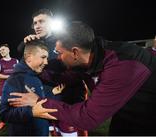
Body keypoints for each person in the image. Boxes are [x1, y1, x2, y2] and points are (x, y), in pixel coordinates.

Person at [9, 21, 156, 136]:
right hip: (124, 116)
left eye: (59, 53)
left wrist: (39, 102)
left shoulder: (123, 64)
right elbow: (64, 78)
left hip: (147, 120)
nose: (58, 58)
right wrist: (37, 69)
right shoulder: (90, 56)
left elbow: (88, 117)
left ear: (74, 52)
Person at [18, 9, 87, 136]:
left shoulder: (65, 41)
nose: (37, 26)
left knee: (69, 133)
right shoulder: (35, 43)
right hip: (44, 98)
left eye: (42, 21)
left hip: (67, 101)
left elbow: (77, 73)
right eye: (35, 23)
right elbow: (24, 67)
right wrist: (25, 45)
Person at [0, 40, 64, 135]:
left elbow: (37, 99)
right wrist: (31, 112)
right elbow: (4, 114)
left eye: (47, 58)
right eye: (43, 57)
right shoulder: (15, 80)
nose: (46, 62)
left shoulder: (36, 75)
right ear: (29, 57)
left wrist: (52, 93)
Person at [0, 43, 18, 130]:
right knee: (3, 106)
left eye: (3, 49)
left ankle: (15, 120)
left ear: (8, 50)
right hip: (4, 89)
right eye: (0, 50)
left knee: (15, 104)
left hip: (15, 88)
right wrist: (9, 76)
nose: (1, 51)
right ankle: (3, 121)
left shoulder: (16, 61)